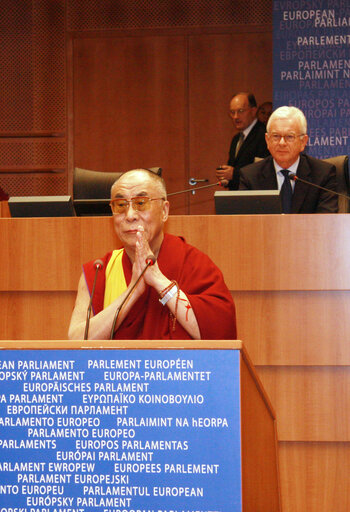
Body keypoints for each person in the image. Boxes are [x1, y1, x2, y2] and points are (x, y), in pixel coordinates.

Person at [68, 168, 237, 340]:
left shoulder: (192, 263)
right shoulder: (100, 271)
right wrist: (132, 292)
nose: (130, 215)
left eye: (141, 203)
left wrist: (159, 281)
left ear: (164, 211)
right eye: (120, 205)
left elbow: (219, 335)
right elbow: (76, 342)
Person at [239, 106, 338, 213]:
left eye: (289, 137)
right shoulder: (250, 176)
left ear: (303, 142)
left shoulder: (323, 175)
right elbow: (245, 223)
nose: (282, 143)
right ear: (267, 140)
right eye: (276, 136)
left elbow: (327, 222)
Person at [215, 92, 269, 190]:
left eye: (240, 111)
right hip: (237, 197)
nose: (235, 117)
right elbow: (234, 169)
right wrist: (226, 179)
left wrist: (234, 174)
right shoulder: (236, 139)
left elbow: (263, 172)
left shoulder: (264, 135)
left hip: (255, 199)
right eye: (232, 112)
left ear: (253, 111)